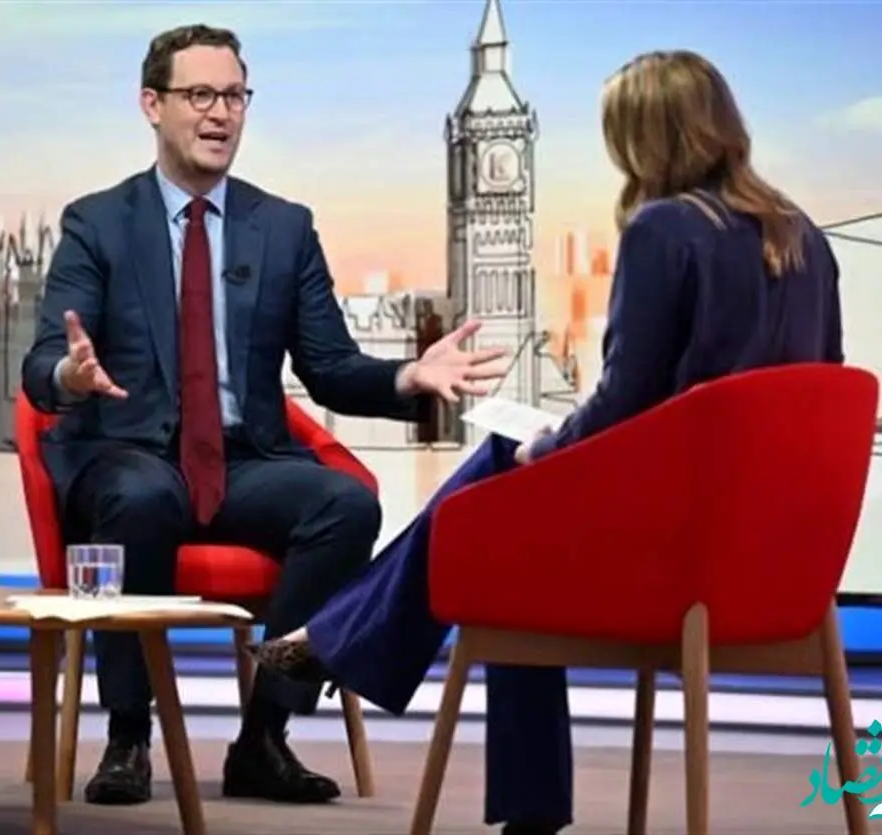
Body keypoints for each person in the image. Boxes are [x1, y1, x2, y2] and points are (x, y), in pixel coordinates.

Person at [251, 49, 845, 834]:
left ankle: (347, 646)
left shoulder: (665, 229)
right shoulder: (804, 238)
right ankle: (339, 638)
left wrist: (548, 444)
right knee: (510, 505)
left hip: (672, 563)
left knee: (506, 495)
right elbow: (816, 392)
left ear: (644, 136)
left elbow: (626, 399)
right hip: (776, 565)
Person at [20, 24, 507, 807]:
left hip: (241, 461)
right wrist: (71, 376)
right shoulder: (98, 222)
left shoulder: (282, 227)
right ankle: (128, 736)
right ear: (152, 104)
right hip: (128, 452)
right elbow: (44, 360)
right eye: (200, 95)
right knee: (142, 497)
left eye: (235, 96)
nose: (221, 113)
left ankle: (265, 735)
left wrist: (408, 375)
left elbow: (331, 367)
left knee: (346, 504)